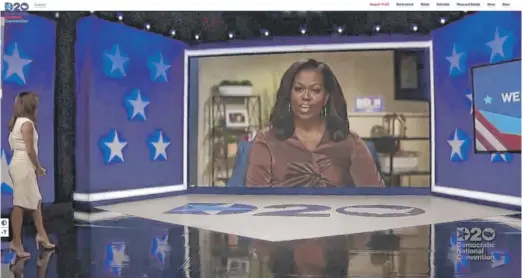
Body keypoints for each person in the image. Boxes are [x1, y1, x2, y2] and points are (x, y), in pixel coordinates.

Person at [246, 59, 384, 188]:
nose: (306, 97)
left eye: (315, 90)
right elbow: (254, 197)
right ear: (289, 94)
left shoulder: (350, 142)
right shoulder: (267, 140)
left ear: (326, 98)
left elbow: (376, 196)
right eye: (299, 89)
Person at [8, 92, 55, 258]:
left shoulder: (17, 122)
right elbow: (30, 150)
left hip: (20, 164)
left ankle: (41, 234)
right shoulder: (26, 124)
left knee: (36, 199)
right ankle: (16, 242)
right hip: (24, 165)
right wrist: (39, 167)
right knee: (20, 204)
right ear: (31, 105)